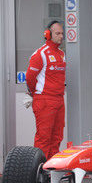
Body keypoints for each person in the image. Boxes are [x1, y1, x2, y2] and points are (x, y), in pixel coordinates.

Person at [26, 20, 66, 159]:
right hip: (44, 99)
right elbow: (30, 78)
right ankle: (39, 170)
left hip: (59, 100)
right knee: (44, 137)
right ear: (48, 34)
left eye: (62, 33)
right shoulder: (40, 54)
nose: (61, 36)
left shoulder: (61, 54)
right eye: (57, 33)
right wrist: (35, 94)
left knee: (57, 137)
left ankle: (52, 170)